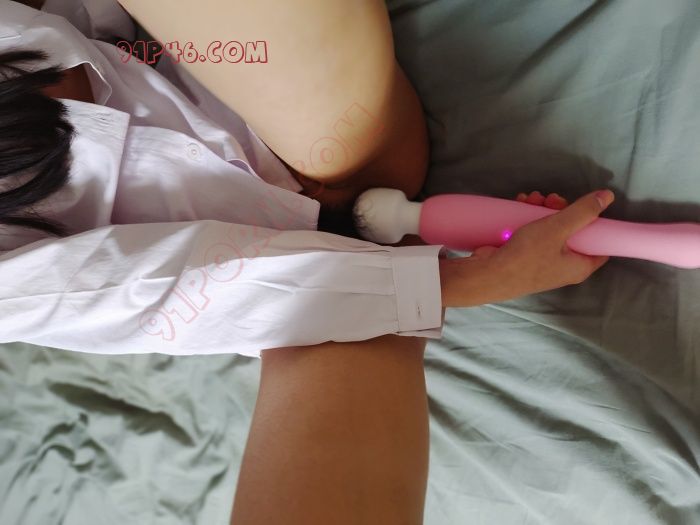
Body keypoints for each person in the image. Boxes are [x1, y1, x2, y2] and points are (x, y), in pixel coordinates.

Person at [0, 1, 614, 523]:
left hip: (162, 57)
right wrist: (462, 281)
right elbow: (144, 291)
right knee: (332, 324)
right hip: (321, 194)